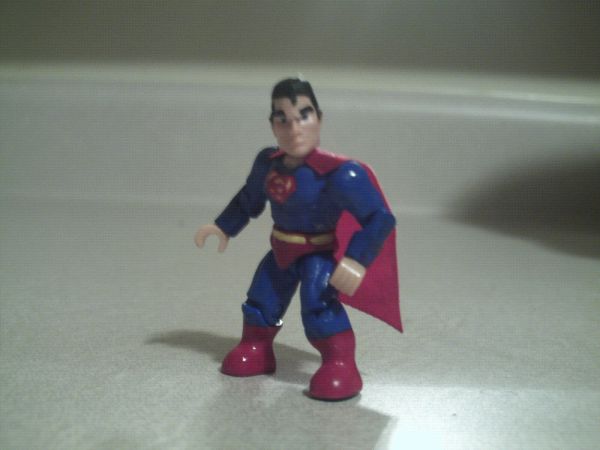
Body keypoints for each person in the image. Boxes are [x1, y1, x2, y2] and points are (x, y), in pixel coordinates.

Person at [195, 78, 400, 400]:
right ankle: (257, 347)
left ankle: (341, 364)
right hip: (280, 250)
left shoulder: (340, 174)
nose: (294, 129)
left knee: (319, 306)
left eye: (303, 116)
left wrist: (356, 260)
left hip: (317, 255)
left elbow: (379, 217)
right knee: (261, 299)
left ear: (318, 118)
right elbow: (249, 199)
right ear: (273, 125)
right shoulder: (268, 164)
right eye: (283, 119)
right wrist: (223, 227)